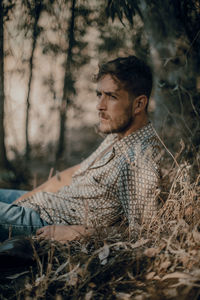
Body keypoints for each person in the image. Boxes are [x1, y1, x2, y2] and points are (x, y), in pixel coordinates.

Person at [0, 55, 162, 243]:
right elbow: (74, 172)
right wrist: (29, 196)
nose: (99, 106)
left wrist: (80, 233)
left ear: (139, 104)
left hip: (43, 221)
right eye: (99, 94)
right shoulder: (117, 136)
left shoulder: (140, 160)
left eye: (111, 96)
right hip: (43, 201)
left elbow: (145, 232)